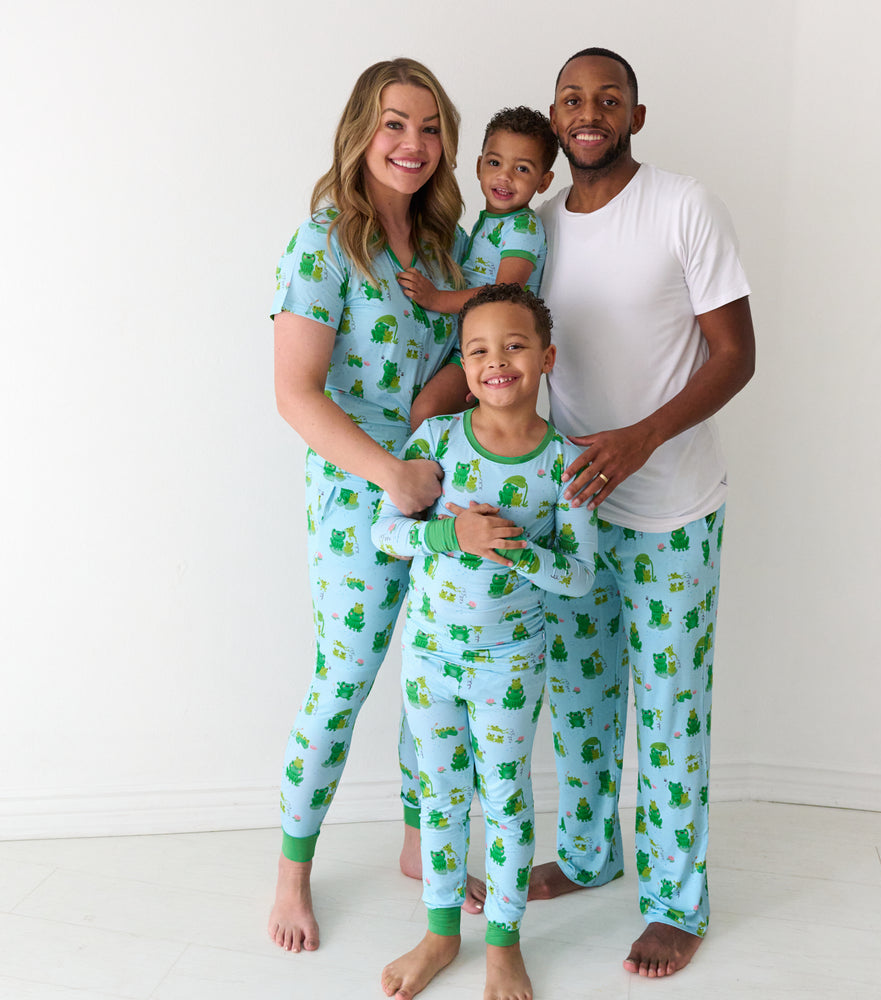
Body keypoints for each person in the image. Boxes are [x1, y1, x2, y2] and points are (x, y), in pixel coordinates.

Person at [528, 48, 756, 978]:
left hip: (671, 508)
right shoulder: (535, 228)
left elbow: (735, 355)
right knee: (581, 703)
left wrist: (642, 437)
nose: (591, 113)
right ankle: (588, 856)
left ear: (637, 114)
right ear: (554, 116)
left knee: (666, 706)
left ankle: (677, 902)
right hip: (575, 514)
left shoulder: (683, 205)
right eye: (574, 100)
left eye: (608, 100)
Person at [267, 57, 474, 954]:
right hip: (361, 498)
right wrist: (390, 472)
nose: (414, 144)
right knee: (345, 681)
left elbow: (476, 350)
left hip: (439, 494)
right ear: (362, 130)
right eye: (396, 124)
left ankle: (417, 844)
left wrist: (443, 404)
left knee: (436, 677)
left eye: (430, 128)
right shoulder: (322, 245)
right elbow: (296, 393)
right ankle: (291, 875)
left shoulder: (442, 249)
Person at [373, 283, 597, 1000]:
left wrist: (519, 551)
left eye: (514, 345)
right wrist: (453, 532)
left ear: (547, 357)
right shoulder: (437, 440)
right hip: (431, 657)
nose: (496, 360)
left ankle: (503, 944)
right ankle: (441, 934)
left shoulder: (565, 463)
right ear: (464, 368)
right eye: (477, 350)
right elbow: (386, 533)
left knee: (504, 795)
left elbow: (580, 576)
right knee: (440, 794)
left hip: (509, 663)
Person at [399, 107, 557, 432]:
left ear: (544, 182)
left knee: (425, 413)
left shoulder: (523, 228)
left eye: (522, 169)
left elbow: (503, 292)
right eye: (495, 163)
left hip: (492, 350)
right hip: (470, 345)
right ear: (478, 166)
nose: (505, 176)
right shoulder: (485, 225)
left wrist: (435, 299)